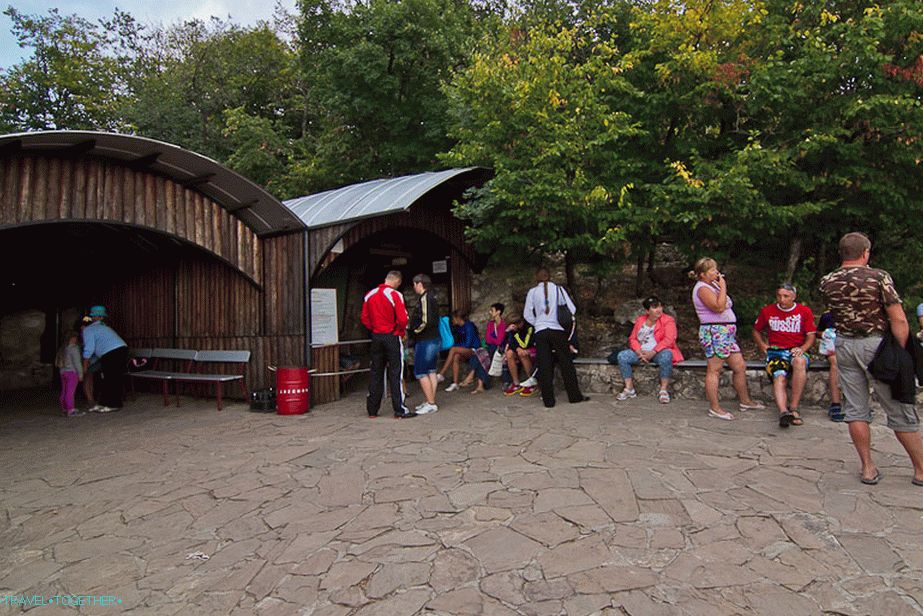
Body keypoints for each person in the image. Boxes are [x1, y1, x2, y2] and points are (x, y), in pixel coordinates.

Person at [819, 232, 923, 486]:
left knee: (855, 409)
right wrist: (901, 352)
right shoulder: (877, 277)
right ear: (865, 252)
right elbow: (898, 318)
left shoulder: (827, 281)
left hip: (843, 344)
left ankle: (868, 468)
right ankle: (921, 471)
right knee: (898, 407)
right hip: (876, 345)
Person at [691, 258, 765, 420]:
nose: (716, 272)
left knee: (739, 366)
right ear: (702, 275)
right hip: (716, 331)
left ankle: (745, 401)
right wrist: (723, 286)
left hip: (727, 332)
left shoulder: (713, 286)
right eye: (712, 270)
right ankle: (715, 408)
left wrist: (720, 287)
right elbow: (718, 306)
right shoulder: (702, 288)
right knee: (715, 369)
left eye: (716, 269)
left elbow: (725, 303)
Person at [752, 283, 816, 428]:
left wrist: (803, 348)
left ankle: (794, 408)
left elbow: (811, 335)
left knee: (799, 362)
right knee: (779, 375)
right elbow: (756, 330)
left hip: (795, 349)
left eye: (786, 296)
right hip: (776, 351)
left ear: (793, 297)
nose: (782, 299)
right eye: (779, 296)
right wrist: (762, 345)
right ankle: (783, 412)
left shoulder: (804, 311)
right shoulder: (767, 311)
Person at [524, 267, 589, 408]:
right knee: (566, 363)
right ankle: (574, 396)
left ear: (537, 278)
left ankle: (548, 400)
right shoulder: (558, 290)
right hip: (558, 330)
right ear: (549, 276)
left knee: (544, 365)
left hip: (541, 331)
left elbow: (527, 314)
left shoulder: (532, 292)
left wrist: (538, 323)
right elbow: (571, 309)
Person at [361, 271, 415, 419]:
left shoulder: (369, 294)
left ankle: (372, 409)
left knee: (376, 372)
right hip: (391, 335)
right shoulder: (395, 295)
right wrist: (399, 330)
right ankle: (399, 409)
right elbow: (403, 319)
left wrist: (374, 329)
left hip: (376, 336)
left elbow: (364, 318)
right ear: (397, 281)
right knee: (396, 373)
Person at [615, 296, 684, 404]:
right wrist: (638, 352)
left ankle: (663, 390)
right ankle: (629, 388)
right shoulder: (640, 320)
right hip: (641, 352)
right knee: (622, 356)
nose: (659, 309)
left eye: (660, 306)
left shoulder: (668, 320)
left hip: (658, 352)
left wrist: (653, 352)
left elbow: (669, 339)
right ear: (647, 311)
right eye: (654, 307)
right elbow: (633, 338)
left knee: (667, 355)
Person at [81, 305, 128, 413]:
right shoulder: (105, 327)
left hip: (111, 352)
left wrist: (85, 360)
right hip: (120, 349)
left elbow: (89, 347)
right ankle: (105, 403)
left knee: (110, 378)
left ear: (93, 317)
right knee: (112, 378)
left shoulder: (89, 330)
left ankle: (113, 404)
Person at [408, 274, 440, 415]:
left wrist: (415, 331)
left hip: (426, 340)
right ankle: (430, 400)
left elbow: (426, 320)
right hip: (433, 339)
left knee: (420, 372)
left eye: (414, 284)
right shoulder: (432, 297)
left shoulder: (425, 298)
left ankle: (431, 403)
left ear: (419, 284)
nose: (414, 287)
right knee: (431, 371)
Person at [436, 311, 481, 392]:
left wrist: (457, 347)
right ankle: (455, 383)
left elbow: (468, 343)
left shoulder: (469, 326)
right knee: (456, 356)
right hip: (465, 350)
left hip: (474, 349)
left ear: (458, 318)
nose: (452, 321)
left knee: (453, 349)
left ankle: (441, 374)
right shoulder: (458, 327)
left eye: (453, 318)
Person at [817, 311, 844, 421]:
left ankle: (861, 405)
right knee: (835, 363)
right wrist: (825, 334)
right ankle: (836, 404)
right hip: (833, 350)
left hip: (852, 349)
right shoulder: (828, 316)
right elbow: (817, 332)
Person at [502, 319, 537, 396]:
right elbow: (507, 343)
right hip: (520, 348)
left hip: (532, 348)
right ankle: (516, 383)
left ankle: (532, 382)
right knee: (509, 354)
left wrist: (516, 334)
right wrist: (507, 332)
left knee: (522, 354)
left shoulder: (529, 328)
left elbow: (525, 344)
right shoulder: (512, 330)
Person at [56, 330, 84, 417]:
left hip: (63, 372)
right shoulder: (74, 348)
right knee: (70, 392)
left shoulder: (63, 348)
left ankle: (65, 408)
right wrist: (80, 374)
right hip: (72, 372)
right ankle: (71, 410)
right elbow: (77, 362)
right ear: (72, 338)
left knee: (64, 391)